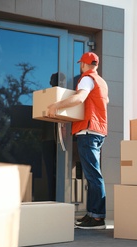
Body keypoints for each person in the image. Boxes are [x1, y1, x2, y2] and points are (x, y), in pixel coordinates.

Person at [47, 52, 109, 229]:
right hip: (98, 130)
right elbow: (104, 101)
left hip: (88, 131)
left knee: (93, 175)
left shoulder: (86, 79)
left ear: (83, 64)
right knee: (92, 175)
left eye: (80, 63)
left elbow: (80, 98)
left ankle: (97, 218)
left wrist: (56, 105)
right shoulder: (101, 82)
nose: (80, 66)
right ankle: (92, 214)